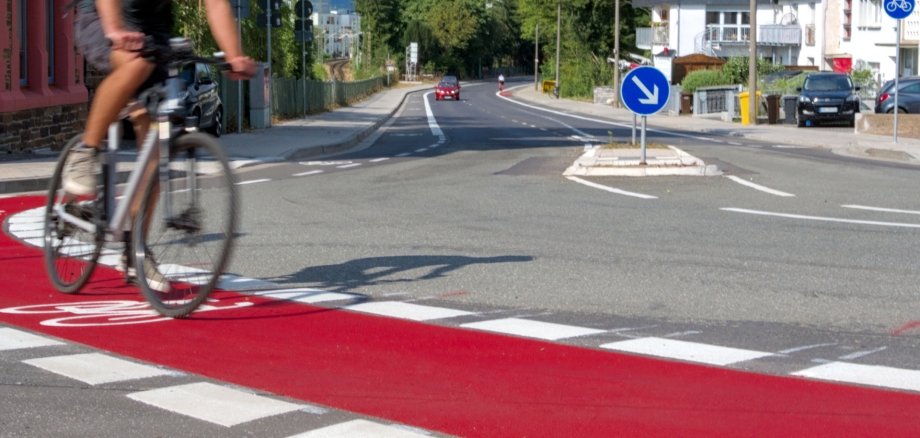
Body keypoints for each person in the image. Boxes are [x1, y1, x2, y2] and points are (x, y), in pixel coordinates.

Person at [65, 0, 256, 289]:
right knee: (136, 65)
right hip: (102, 17)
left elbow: (216, 4)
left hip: (152, 32)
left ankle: (135, 250)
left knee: (155, 146)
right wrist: (114, 28)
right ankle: (85, 151)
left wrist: (234, 55)